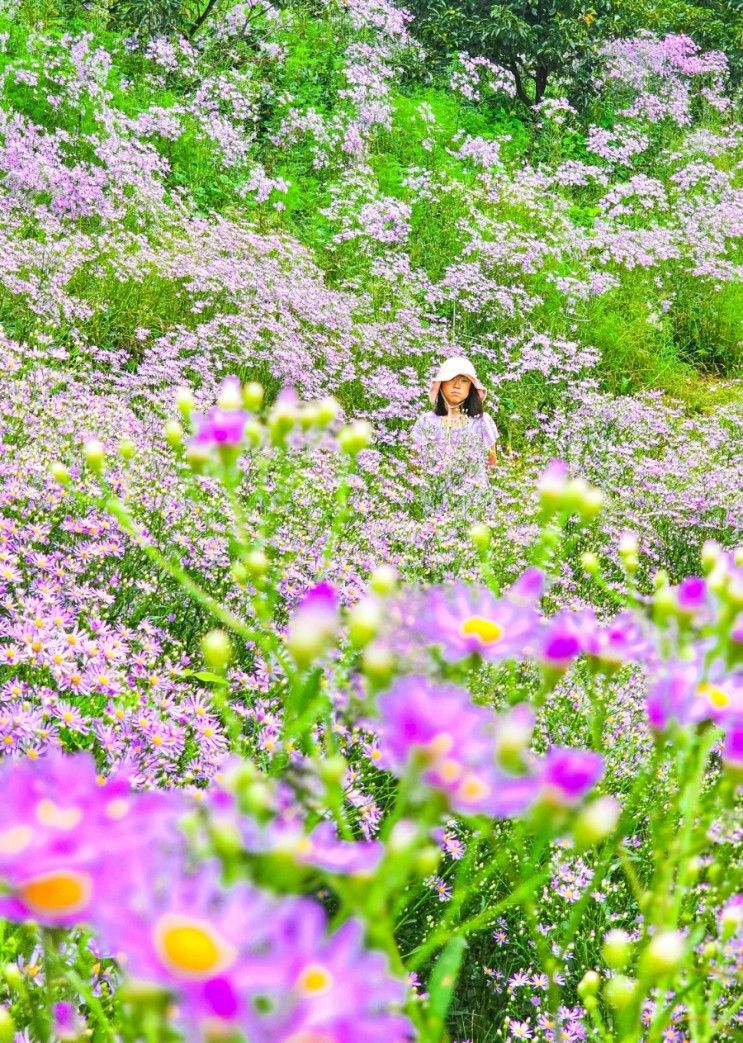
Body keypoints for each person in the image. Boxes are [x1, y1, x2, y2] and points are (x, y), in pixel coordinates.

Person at [410, 356, 498, 508]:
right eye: (451, 379)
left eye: (464, 381)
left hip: (474, 499)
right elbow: (413, 462)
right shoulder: (427, 421)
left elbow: (491, 461)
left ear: (471, 387)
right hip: (436, 497)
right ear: (441, 384)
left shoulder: (481, 421)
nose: (457, 385)